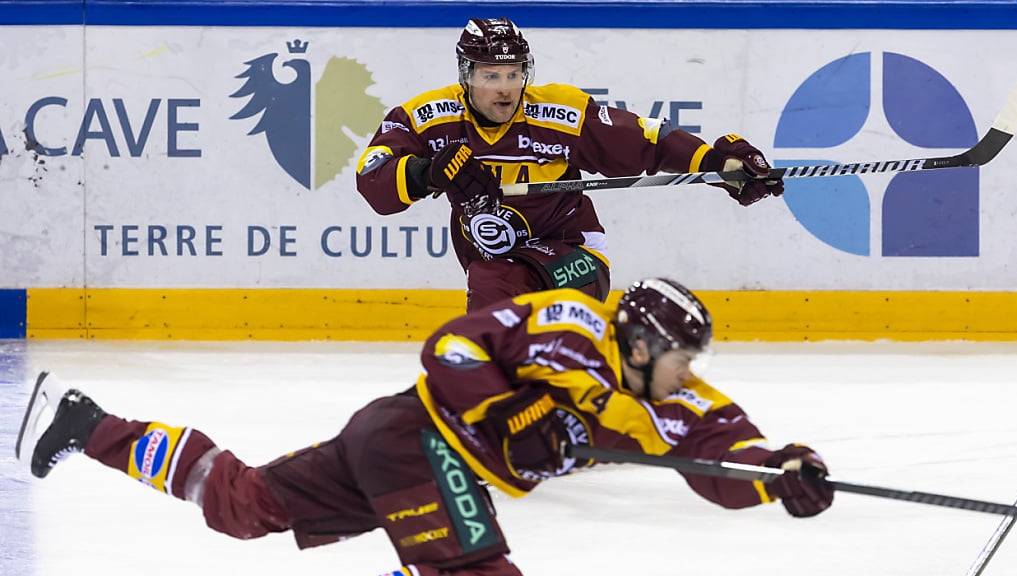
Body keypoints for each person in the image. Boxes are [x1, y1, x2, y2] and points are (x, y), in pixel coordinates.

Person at [16, 278, 830, 575]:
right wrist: (501, 406)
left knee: (242, 506)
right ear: (644, 343)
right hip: (414, 436)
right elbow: (451, 343)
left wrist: (782, 474)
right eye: (680, 358)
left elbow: (728, 455)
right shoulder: (571, 325)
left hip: (422, 460)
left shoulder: (674, 403)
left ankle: (89, 426)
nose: (689, 374)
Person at [355, 18, 784, 311]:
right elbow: (371, 177)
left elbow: (646, 139)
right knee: (499, 304)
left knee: (495, 289)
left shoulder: (559, 112)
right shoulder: (429, 117)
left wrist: (716, 161)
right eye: (490, 76)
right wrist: (423, 173)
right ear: (466, 75)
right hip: (497, 265)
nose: (505, 89)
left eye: (513, 74)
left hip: (575, 259)